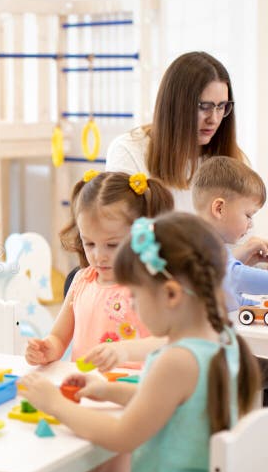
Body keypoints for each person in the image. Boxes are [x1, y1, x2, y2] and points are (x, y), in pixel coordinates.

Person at [20, 212, 261, 472]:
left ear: (171, 294)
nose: (133, 305)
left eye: (134, 296)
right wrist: (106, 390)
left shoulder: (178, 360)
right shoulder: (223, 340)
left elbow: (120, 436)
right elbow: (173, 403)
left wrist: (55, 404)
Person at [26, 171, 173, 373]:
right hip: (85, 387)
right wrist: (47, 349)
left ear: (141, 235)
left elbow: (172, 341)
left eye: (112, 245)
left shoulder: (151, 284)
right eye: (89, 243)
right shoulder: (81, 281)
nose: (98, 256)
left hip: (134, 391)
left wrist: (124, 350)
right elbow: (59, 338)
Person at [106, 51, 243, 213]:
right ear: (175, 107)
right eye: (204, 106)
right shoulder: (128, 151)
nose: (213, 119)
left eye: (221, 106)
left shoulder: (234, 159)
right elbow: (121, 233)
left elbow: (243, 233)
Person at [192, 156, 268, 311]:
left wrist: (253, 304)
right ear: (219, 208)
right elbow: (235, 277)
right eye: (248, 215)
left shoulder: (204, 241)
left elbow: (224, 290)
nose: (250, 224)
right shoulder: (201, 244)